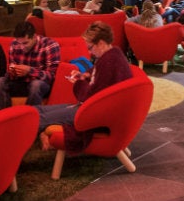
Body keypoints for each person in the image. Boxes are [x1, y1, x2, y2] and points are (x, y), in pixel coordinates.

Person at [38, 21, 133, 151]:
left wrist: (78, 82)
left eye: (90, 48)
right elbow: (96, 76)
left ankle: (13, 141)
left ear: (100, 43)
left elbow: (90, 98)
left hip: (94, 115)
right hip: (94, 110)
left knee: (39, 116)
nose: (90, 52)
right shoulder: (112, 56)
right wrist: (84, 75)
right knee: (39, 111)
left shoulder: (109, 62)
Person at [0, 21, 61, 108]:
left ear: (34, 37)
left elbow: (52, 76)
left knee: (36, 85)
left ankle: (30, 116)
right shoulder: (14, 44)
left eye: (25, 43)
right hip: (20, 82)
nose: (21, 47)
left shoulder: (49, 45)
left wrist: (30, 71)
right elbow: (11, 71)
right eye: (19, 43)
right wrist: (13, 72)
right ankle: (5, 116)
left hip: (41, 83)